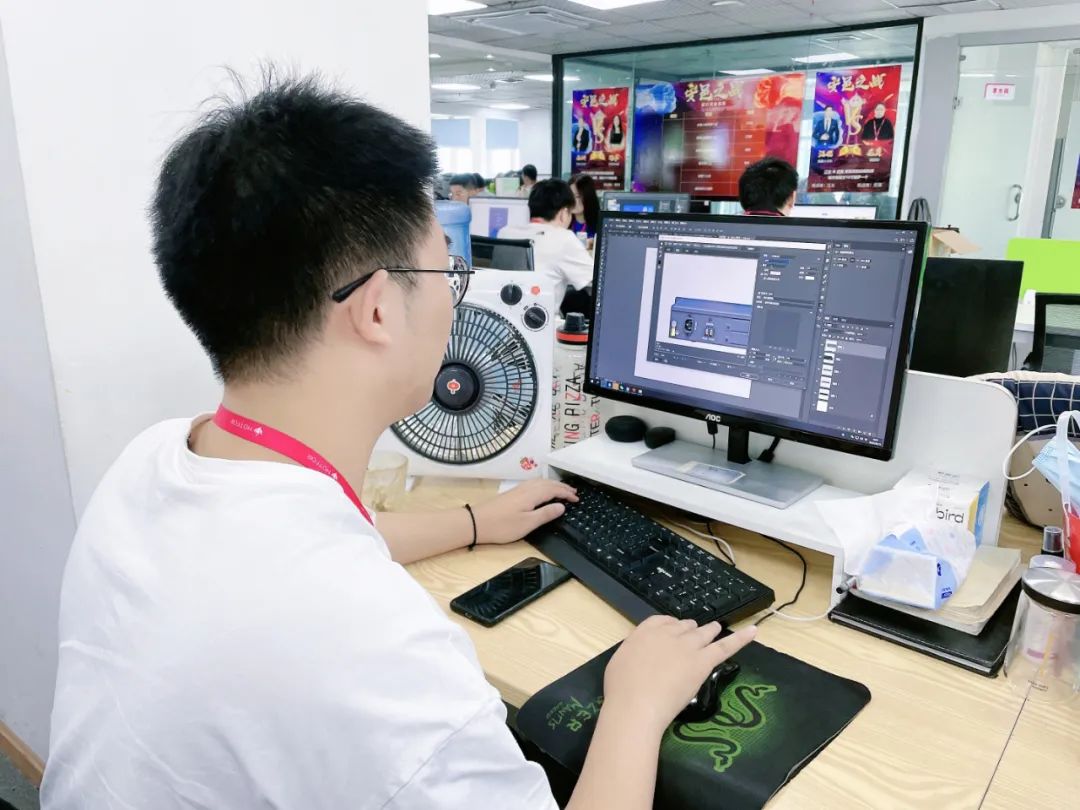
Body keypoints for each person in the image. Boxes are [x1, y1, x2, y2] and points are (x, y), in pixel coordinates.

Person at [41, 74, 756, 809]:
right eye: (446, 268)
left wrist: (475, 522)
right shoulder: (374, 646)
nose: (453, 293)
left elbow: (323, 541)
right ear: (378, 308)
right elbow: (322, 590)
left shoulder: (154, 462)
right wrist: (636, 702)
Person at [498, 179, 597, 310]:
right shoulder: (564, 238)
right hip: (541, 320)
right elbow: (597, 281)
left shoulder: (505, 232)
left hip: (503, 319)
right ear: (563, 213)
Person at [569, 173, 600, 245]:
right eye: (570, 195)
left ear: (588, 197)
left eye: (577, 196)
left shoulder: (599, 225)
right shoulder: (564, 222)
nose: (571, 200)